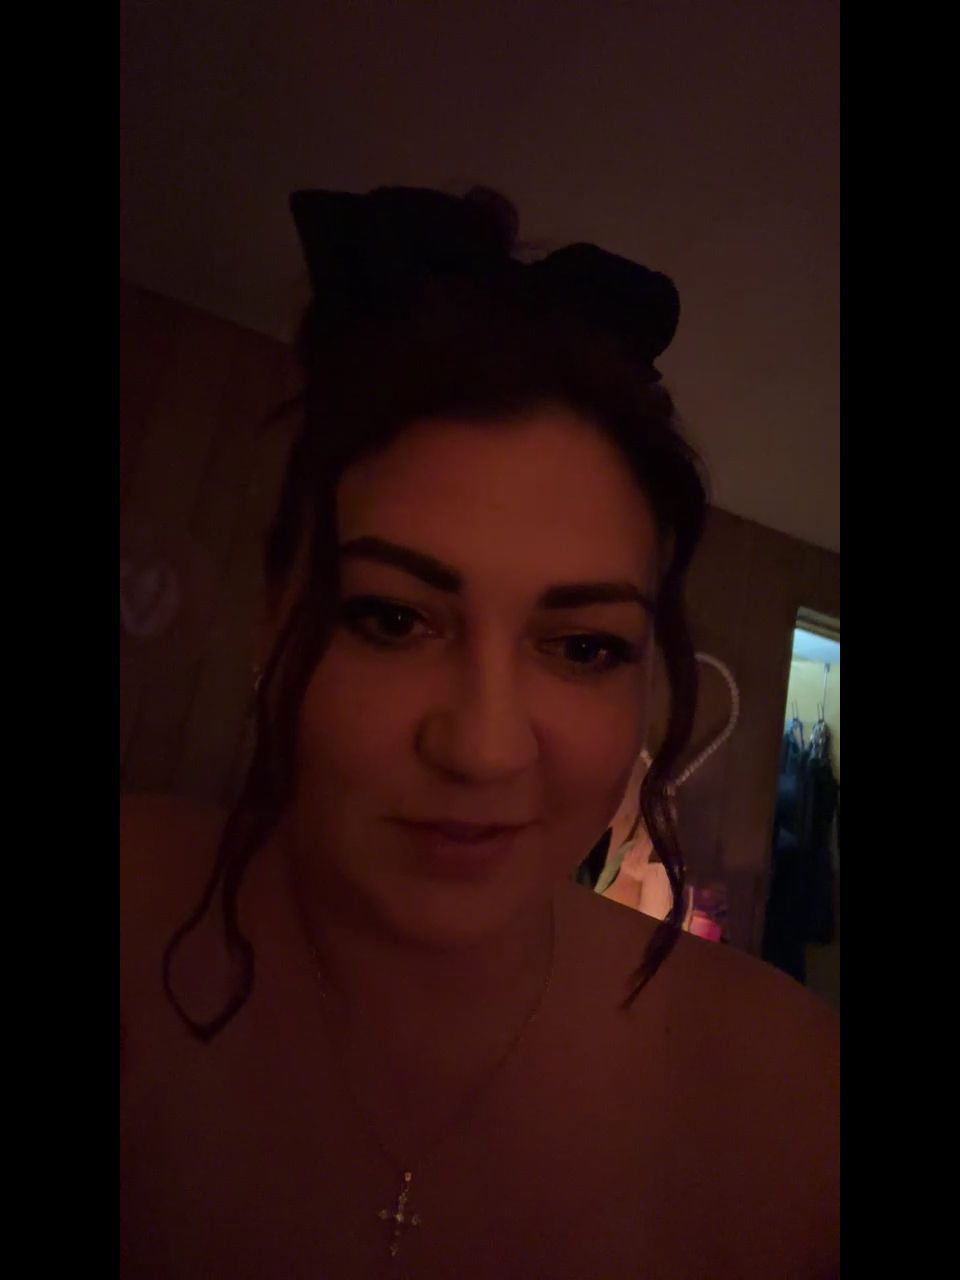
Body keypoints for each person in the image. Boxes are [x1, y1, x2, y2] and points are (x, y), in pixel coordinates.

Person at [120, 185, 839, 1279]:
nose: (484, 748)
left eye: (584, 645)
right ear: (275, 615)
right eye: (391, 618)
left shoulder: (792, 1101)